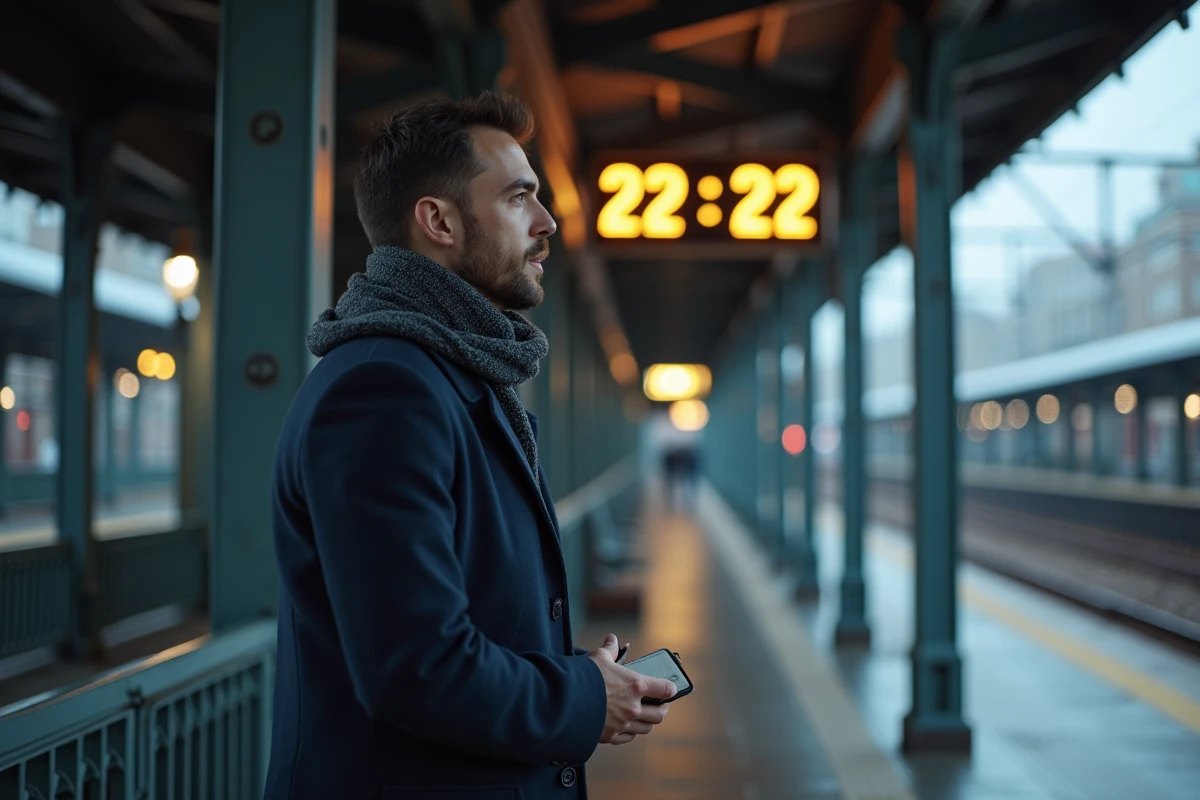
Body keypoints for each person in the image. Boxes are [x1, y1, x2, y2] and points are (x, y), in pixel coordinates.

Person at [264, 92, 676, 800]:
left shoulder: (449, 375)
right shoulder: (383, 391)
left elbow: (457, 616)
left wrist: (579, 674)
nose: (546, 223)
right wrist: (584, 697)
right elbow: (414, 666)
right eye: (519, 198)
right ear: (439, 222)